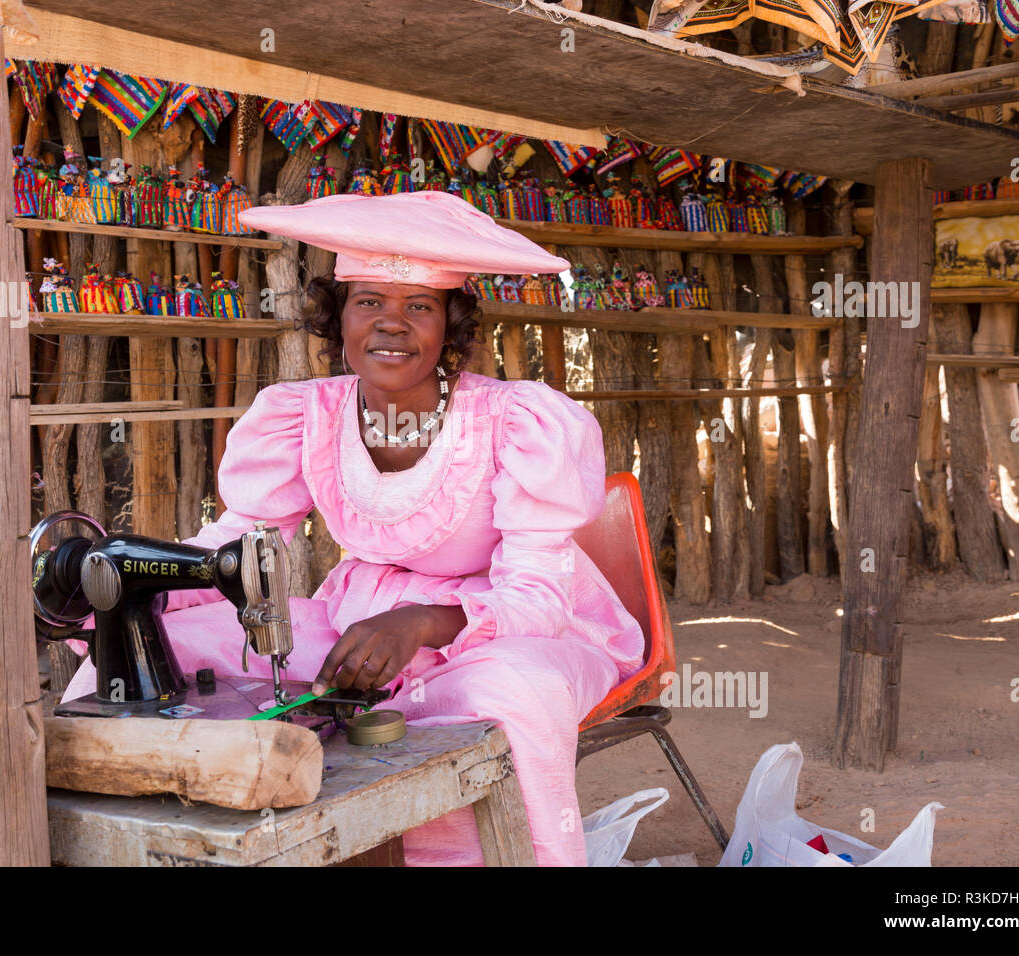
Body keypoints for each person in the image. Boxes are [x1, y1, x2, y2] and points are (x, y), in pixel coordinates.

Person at [61, 190, 646, 865]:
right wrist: (125, 585)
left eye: (418, 307)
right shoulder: (302, 416)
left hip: (505, 629)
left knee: (511, 694)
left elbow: (539, 599)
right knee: (167, 654)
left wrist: (424, 624)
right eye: (369, 302)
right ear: (337, 319)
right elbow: (241, 543)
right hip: (359, 619)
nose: (391, 325)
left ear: (450, 328)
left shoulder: (519, 423)